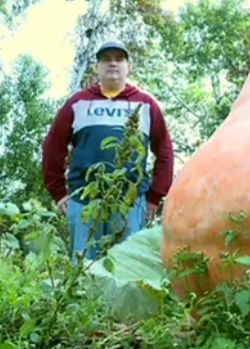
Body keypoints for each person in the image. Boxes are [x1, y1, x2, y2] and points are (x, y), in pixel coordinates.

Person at [41, 41, 174, 260]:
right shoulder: (78, 102)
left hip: (131, 204)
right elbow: (53, 147)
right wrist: (59, 192)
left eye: (119, 59)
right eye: (106, 59)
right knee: (84, 268)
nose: (112, 63)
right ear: (97, 68)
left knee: (127, 269)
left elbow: (165, 150)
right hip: (84, 201)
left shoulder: (146, 104)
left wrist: (154, 196)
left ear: (128, 66)